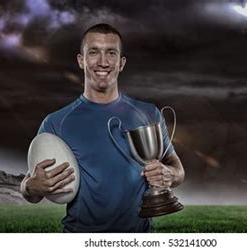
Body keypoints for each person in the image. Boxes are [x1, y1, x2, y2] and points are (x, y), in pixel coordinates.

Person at [20, 23, 185, 233]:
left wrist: (169, 174)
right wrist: (30, 187)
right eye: (94, 52)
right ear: (81, 60)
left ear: (121, 62)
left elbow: (177, 169)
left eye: (111, 53)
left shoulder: (149, 114)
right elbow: (30, 187)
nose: (103, 62)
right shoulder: (56, 122)